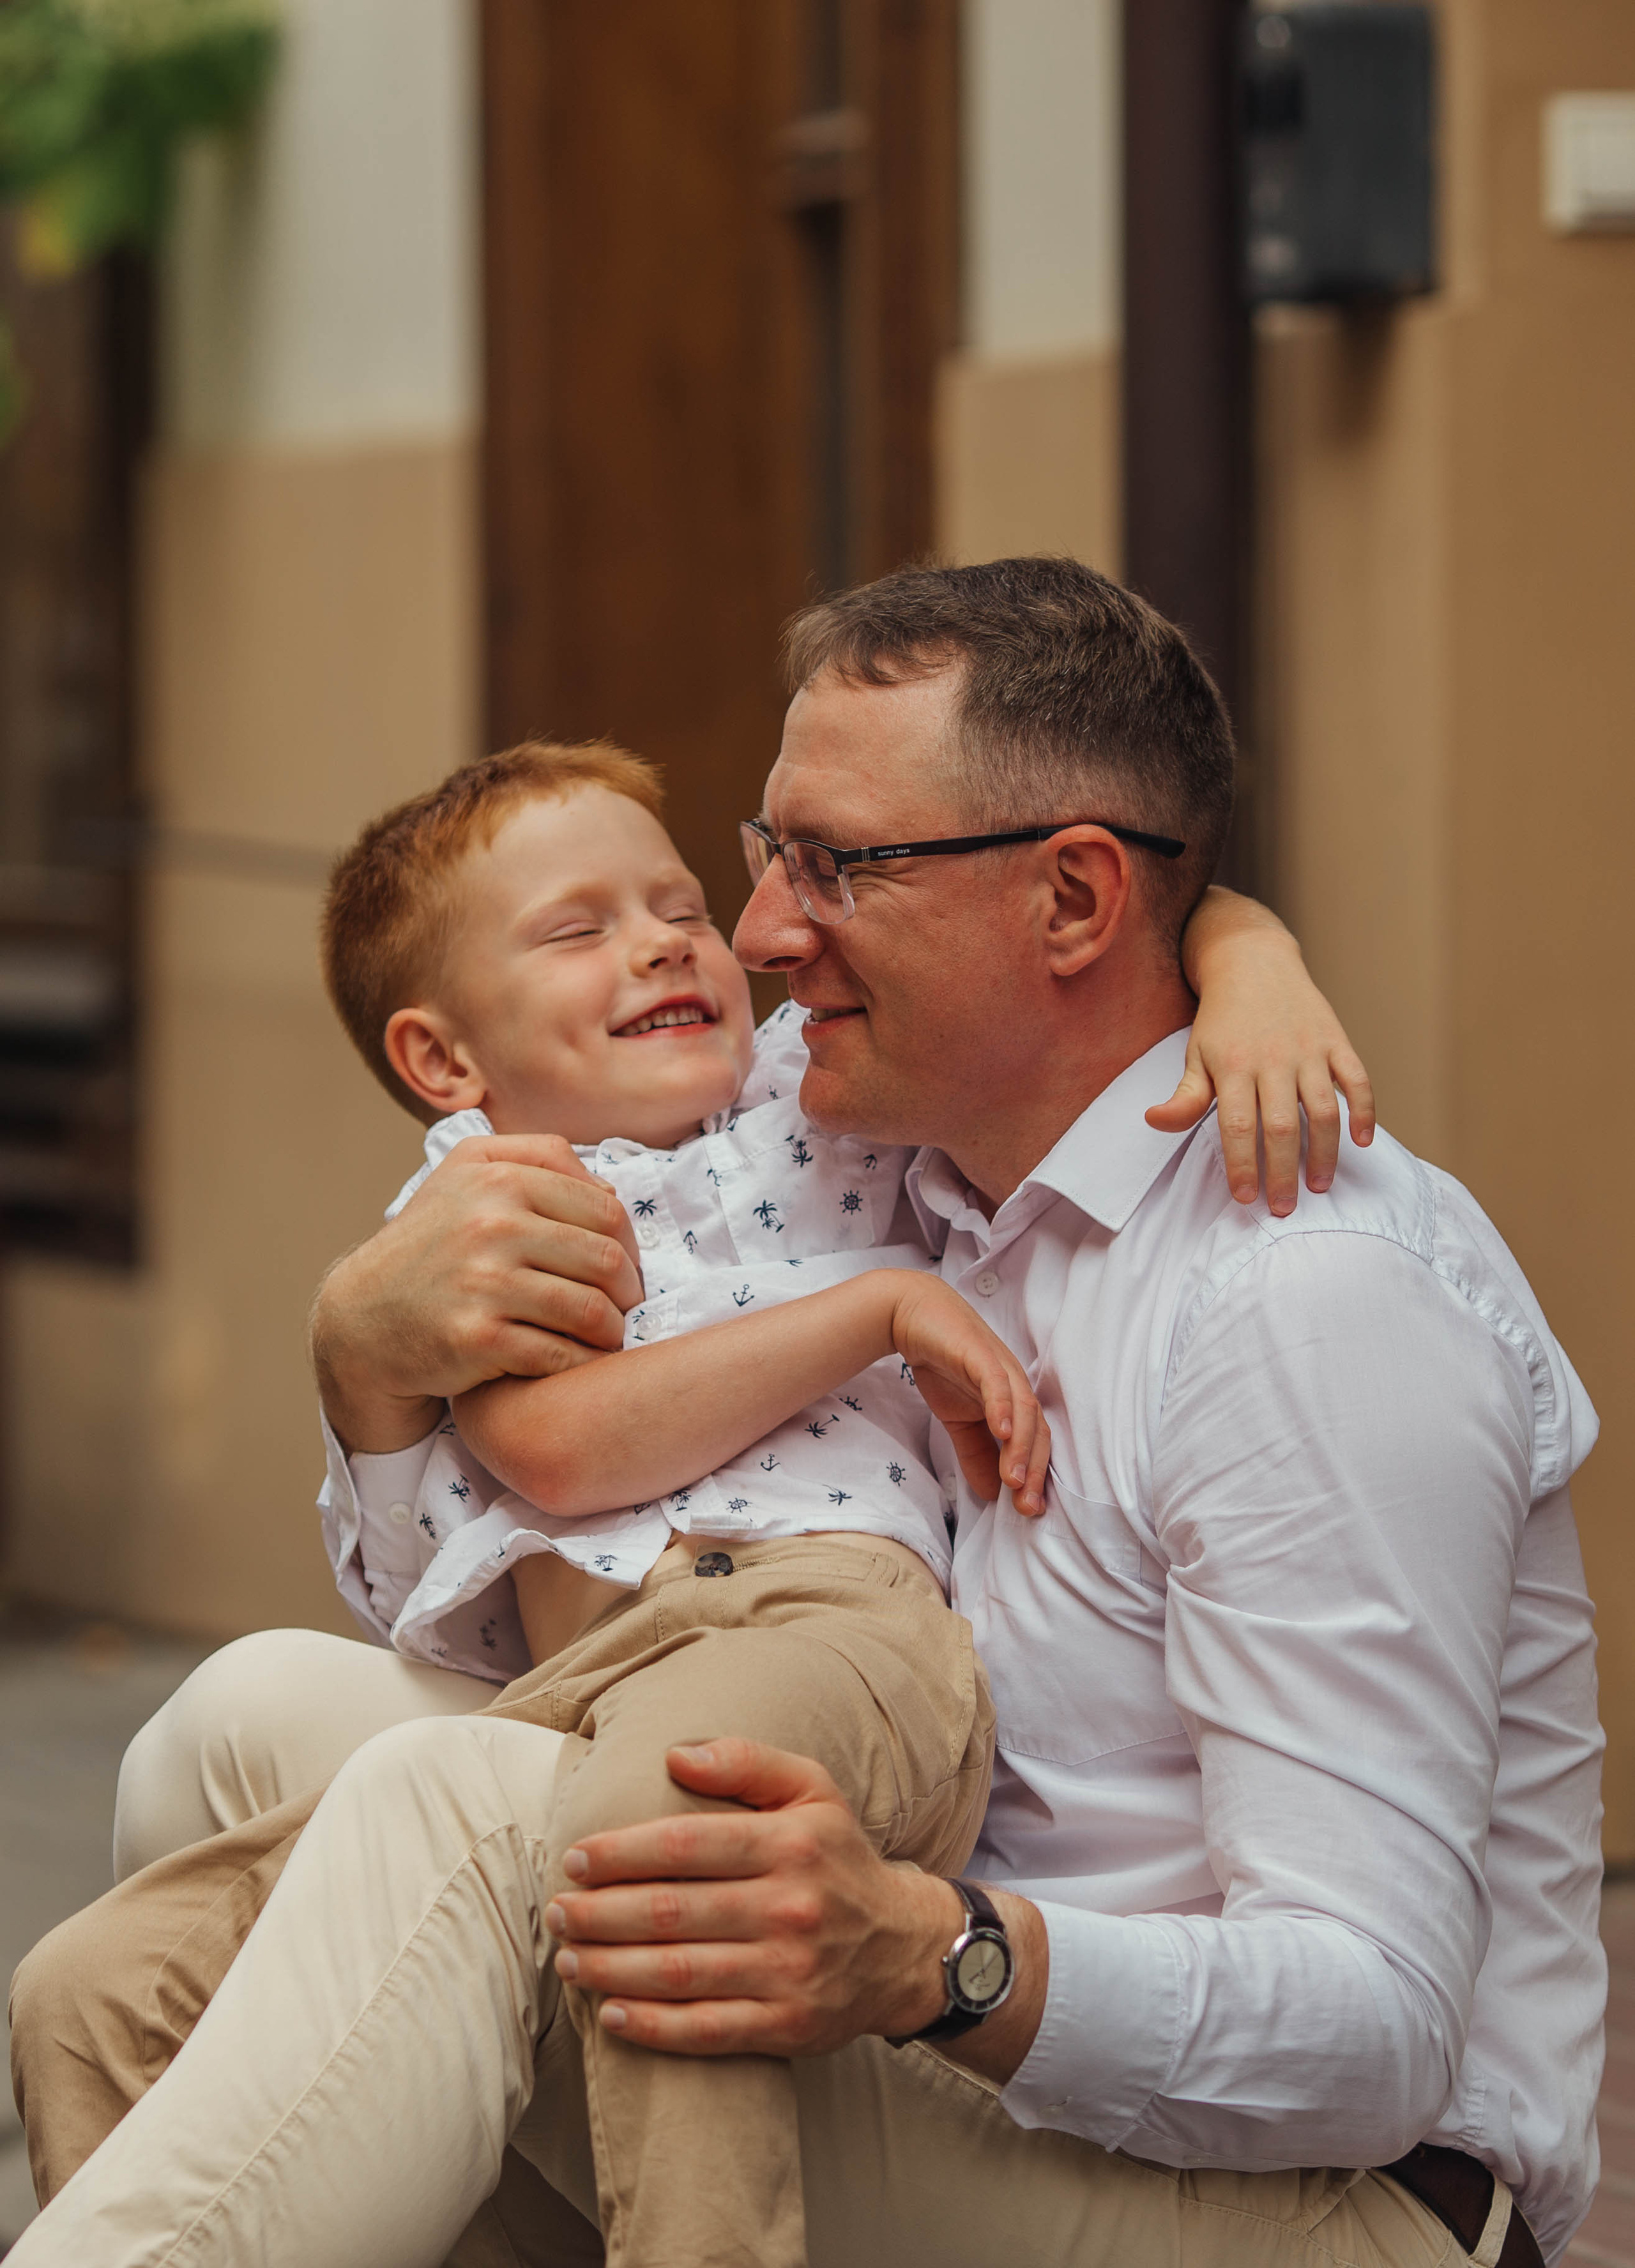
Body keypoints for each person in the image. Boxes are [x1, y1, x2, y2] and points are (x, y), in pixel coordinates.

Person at [9, 558, 1602, 2268]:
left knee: (453, 1824)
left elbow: (1375, 2035)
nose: (755, 933)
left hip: (1311, 2211)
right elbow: (477, 1605)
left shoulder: (1301, 1296)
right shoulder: (886, 1153)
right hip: (961, 2048)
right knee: (241, 1726)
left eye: (838, 866)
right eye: (768, 853)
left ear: (1073, 903)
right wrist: (366, 1361)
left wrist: (930, 1955)